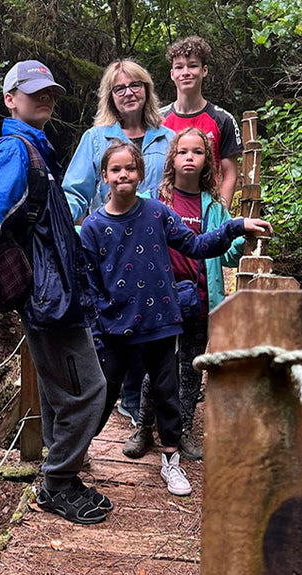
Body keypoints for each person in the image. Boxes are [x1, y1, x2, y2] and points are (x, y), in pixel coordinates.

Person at [0, 60, 110, 525]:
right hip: (50, 298)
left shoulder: (39, 150)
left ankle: (63, 476)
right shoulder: (16, 149)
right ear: (10, 99)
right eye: (33, 91)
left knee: (65, 390)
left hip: (58, 292)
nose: (45, 99)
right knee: (90, 391)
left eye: (50, 92)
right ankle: (56, 485)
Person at [80, 140, 271, 495]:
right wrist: (99, 328)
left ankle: (170, 461)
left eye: (130, 168)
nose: (124, 175)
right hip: (116, 328)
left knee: (168, 392)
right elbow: (88, 284)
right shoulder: (92, 227)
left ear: (140, 173)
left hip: (160, 321)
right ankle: (73, 456)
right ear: (104, 176)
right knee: (102, 395)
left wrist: (235, 226)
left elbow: (197, 247)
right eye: (116, 169)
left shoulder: (156, 213)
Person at [123, 127, 246, 462]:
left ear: (207, 161)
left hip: (202, 298)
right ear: (172, 159)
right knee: (157, 367)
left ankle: (183, 431)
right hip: (161, 300)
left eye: (197, 152)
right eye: (182, 152)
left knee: (191, 368)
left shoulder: (215, 207)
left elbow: (230, 254)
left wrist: (244, 238)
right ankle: (143, 428)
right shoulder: (156, 201)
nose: (189, 157)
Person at [62, 59, 174, 424]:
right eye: (120, 88)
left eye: (135, 85)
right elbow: (75, 193)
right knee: (115, 322)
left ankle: (142, 406)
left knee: (151, 327)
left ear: (147, 90)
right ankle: (119, 405)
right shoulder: (95, 139)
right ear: (110, 96)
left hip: (153, 244)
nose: (129, 93)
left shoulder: (167, 137)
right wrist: (60, 227)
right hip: (108, 247)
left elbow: (179, 189)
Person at [161, 36, 242, 206]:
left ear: (204, 70)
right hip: (165, 210)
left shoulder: (223, 120)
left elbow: (230, 175)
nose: (186, 72)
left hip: (206, 208)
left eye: (192, 66)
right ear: (172, 74)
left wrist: (219, 215)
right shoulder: (158, 120)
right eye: (179, 67)